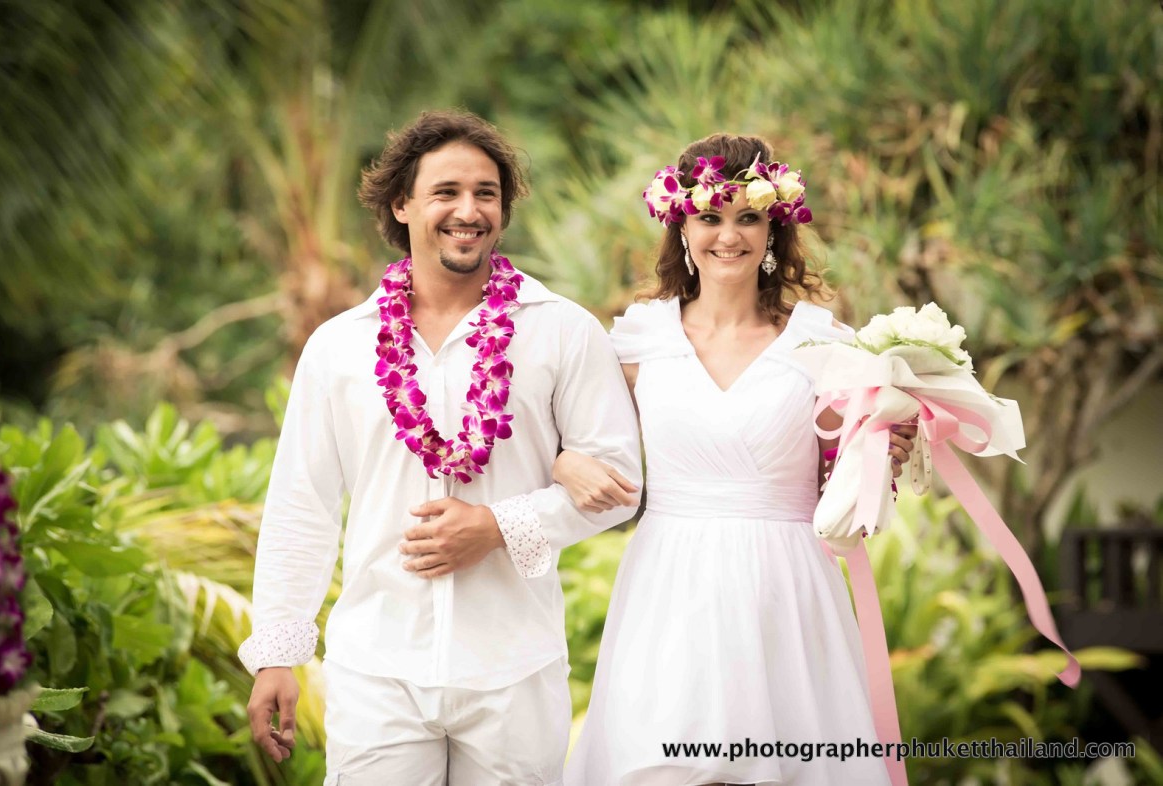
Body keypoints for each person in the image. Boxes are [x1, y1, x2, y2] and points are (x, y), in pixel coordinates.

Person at [239, 109, 642, 785]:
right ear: (402, 204)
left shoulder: (564, 333)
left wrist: (497, 526)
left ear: (504, 210)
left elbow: (619, 484)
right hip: (377, 667)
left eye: (486, 193)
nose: (468, 210)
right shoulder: (338, 347)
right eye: (446, 192)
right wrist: (279, 652)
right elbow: (301, 505)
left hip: (516, 669)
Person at [558, 133, 915, 785]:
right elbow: (568, 435)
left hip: (787, 586)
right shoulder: (638, 340)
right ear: (683, 227)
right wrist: (562, 464)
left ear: (775, 227)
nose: (730, 235)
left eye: (748, 216)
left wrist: (880, 447)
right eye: (711, 216)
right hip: (669, 585)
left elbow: (845, 469)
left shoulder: (819, 341)